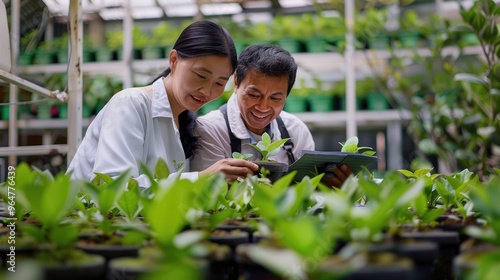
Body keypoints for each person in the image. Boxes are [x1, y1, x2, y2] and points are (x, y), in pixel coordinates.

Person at [66, 20, 258, 189]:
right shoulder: (130, 104)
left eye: (219, 83)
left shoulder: (186, 121)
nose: (207, 91)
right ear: (174, 60)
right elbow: (111, 185)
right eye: (200, 75)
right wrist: (201, 179)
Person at [190, 44, 351, 188]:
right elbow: (210, 196)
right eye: (253, 94)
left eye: (275, 98)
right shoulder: (210, 129)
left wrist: (327, 186)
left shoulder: (295, 130)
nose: (263, 107)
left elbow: (309, 193)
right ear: (237, 82)